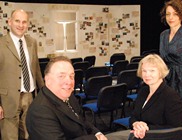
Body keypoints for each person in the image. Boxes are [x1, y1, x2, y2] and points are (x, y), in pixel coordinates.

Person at [26, 56, 108, 140]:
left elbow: (82, 120)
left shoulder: (68, 96)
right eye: (61, 76)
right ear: (47, 80)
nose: (69, 81)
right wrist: (95, 138)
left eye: (71, 76)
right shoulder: (40, 111)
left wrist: (98, 133)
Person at [0, 9, 44, 140]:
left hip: (29, 96)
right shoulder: (1, 44)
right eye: (17, 21)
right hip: (7, 100)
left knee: (29, 134)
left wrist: (44, 93)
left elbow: (36, 70)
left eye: (24, 22)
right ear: (9, 22)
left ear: (28, 24)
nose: (21, 25)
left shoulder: (32, 42)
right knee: (10, 137)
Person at [129, 54, 182, 139]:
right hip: (139, 136)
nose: (147, 75)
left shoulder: (171, 96)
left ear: (160, 72)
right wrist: (135, 124)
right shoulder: (143, 91)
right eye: (144, 71)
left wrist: (145, 129)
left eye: (152, 71)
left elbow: (175, 128)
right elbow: (133, 116)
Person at [159, 0, 182, 123]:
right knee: (164, 117)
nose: (171, 17)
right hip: (166, 80)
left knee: (179, 118)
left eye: (175, 14)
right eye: (168, 14)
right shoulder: (163, 35)